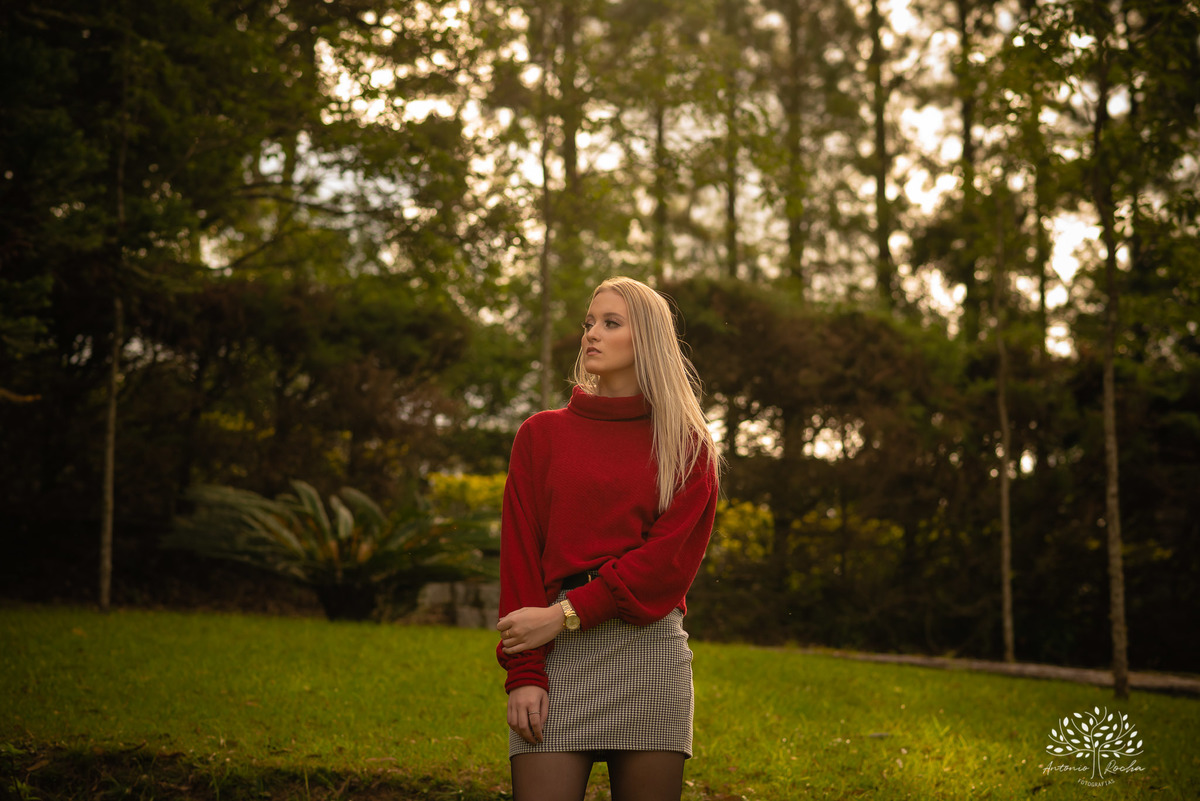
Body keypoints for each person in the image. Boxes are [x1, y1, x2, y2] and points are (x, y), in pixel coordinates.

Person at [495, 276, 721, 801]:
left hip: (648, 655)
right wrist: (524, 672)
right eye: (589, 323)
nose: (592, 333)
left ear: (646, 340)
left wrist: (562, 615)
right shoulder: (540, 435)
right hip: (554, 656)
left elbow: (664, 566)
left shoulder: (688, 446)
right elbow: (520, 560)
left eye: (610, 323)